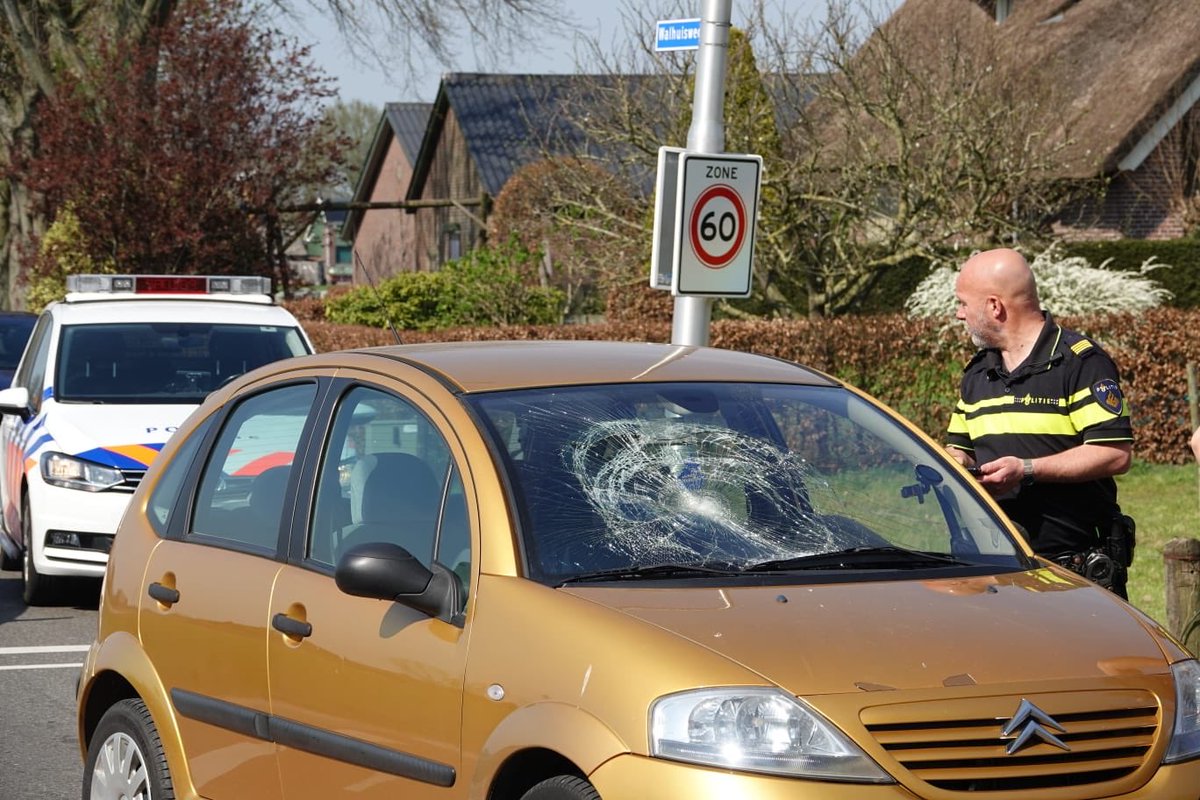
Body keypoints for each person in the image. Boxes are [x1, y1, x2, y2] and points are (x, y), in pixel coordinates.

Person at [945, 248, 1135, 598]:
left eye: (962, 303)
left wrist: (1026, 469)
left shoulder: (1079, 363)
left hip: (1074, 576)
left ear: (994, 306)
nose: (959, 314)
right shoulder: (977, 372)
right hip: (998, 572)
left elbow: (1113, 453)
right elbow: (959, 449)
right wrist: (954, 464)